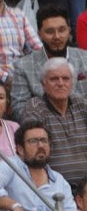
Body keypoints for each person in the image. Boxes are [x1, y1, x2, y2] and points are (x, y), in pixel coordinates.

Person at [19, 59, 87, 192]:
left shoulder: (82, 105)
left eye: (66, 78)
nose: (60, 83)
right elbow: (35, 151)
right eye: (54, 79)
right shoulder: (35, 108)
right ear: (43, 84)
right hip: (55, 188)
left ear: (72, 83)